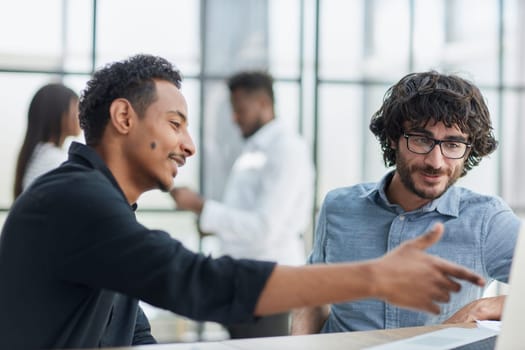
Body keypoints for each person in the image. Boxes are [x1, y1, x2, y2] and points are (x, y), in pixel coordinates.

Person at [0, 55, 485, 350]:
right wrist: (372, 276)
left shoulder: (98, 202)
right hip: (249, 286)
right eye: (175, 123)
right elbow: (190, 280)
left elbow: (132, 332)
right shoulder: (75, 199)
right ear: (124, 117)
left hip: (262, 285)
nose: (189, 145)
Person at [291, 71, 521, 335]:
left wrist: (482, 308)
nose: (436, 162)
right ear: (393, 137)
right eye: (422, 139)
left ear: (468, 149)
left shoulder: (486, 221)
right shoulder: (338, 207)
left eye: (453, 144)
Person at [169, 71, 314, 338]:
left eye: (240, 110)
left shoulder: (286, 149)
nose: (235, 118)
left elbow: (264, 227)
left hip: (270, 284)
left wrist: (201, 207)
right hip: (246, 282)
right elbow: (245, 215)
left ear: (263, 104)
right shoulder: (254, 148)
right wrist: (210, 223)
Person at [13, 83, 81, 199]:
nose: (80, 114)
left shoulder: (39, 153)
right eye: (76, 108)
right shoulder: (54, 160)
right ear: (59, 113)